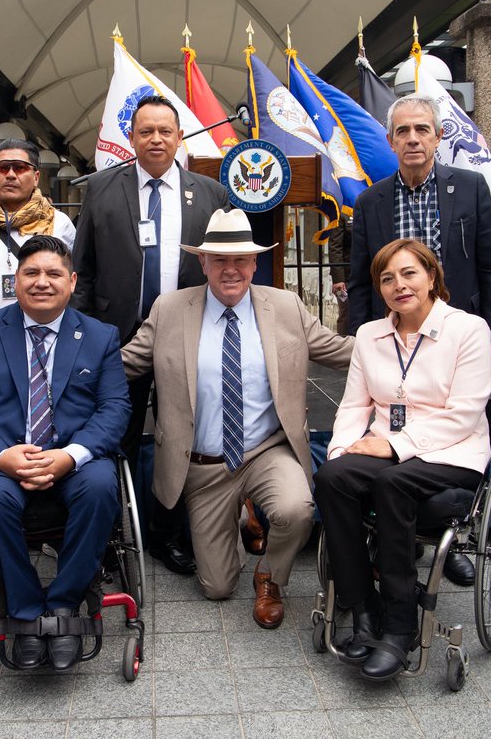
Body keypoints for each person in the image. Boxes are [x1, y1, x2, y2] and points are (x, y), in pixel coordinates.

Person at [122, 208, 353, 628]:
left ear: (254, 263)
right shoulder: (170, 308)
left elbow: (339, 351)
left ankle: (270, 575)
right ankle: (244, 515)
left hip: (265, 451)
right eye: (220, 260)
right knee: (218, 586)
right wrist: (64, 359)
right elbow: (127, 362)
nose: (231, 270)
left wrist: (406, 341)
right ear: (203, 262)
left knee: (297, 509)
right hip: (202, 465)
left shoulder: (285, 306)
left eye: (240, 260)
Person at [0, 235, 130, 672]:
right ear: (15, 280)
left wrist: (71, 455)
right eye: (31, 273)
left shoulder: (100, 336)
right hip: (2, 460)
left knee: (103, 484)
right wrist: (1, 456)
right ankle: (25, 611)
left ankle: (63, 608)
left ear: (72, 281)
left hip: (72, 460)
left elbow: (115, 408)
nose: (42, 282)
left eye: (53, 274)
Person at [346, 92, 491, 587]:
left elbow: (489, 268)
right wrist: (363, 342)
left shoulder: (471, 188)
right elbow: (358, 280)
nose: (413, 138)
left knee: (467, 424)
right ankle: (397, 536)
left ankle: (452, 536)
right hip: (397, 339)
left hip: (459, 340)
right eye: (402, 131)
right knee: (396, 425)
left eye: (422, 129)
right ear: (390, 140)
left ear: (437, 136)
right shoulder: (371, 201)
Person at [315, 238, 491, 681]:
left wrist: (396, 446)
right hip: (385, 446)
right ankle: (364, 610)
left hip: (453, 451)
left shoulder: (468, 330)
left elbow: (465, 414)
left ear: (432, 277)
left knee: (392, 484)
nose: (399, 285)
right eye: (387, 278)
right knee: (333, 477)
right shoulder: (370, 337)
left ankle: (400, 624)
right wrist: (342, 450)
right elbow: (354, 407)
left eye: (410, 273)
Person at [73, 94, 230, 577]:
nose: (156, 139)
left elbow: (224, 271)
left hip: (186, 341)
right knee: (110, 436)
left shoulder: (210, 194)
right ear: (132, 138)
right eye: (146, 131)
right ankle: (104, 541)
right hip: (117, 342)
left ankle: (168, 535)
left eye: (166, 131)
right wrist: (86, 339)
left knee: (179, 440)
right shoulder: (100, 190)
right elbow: (83, 270)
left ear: (180, 137)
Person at [0, 137, 76, 313]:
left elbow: (77, 284)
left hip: (49, 334)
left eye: (20, 168)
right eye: (2, 168)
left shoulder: (60, 222)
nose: (10, 175)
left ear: (36, 177)